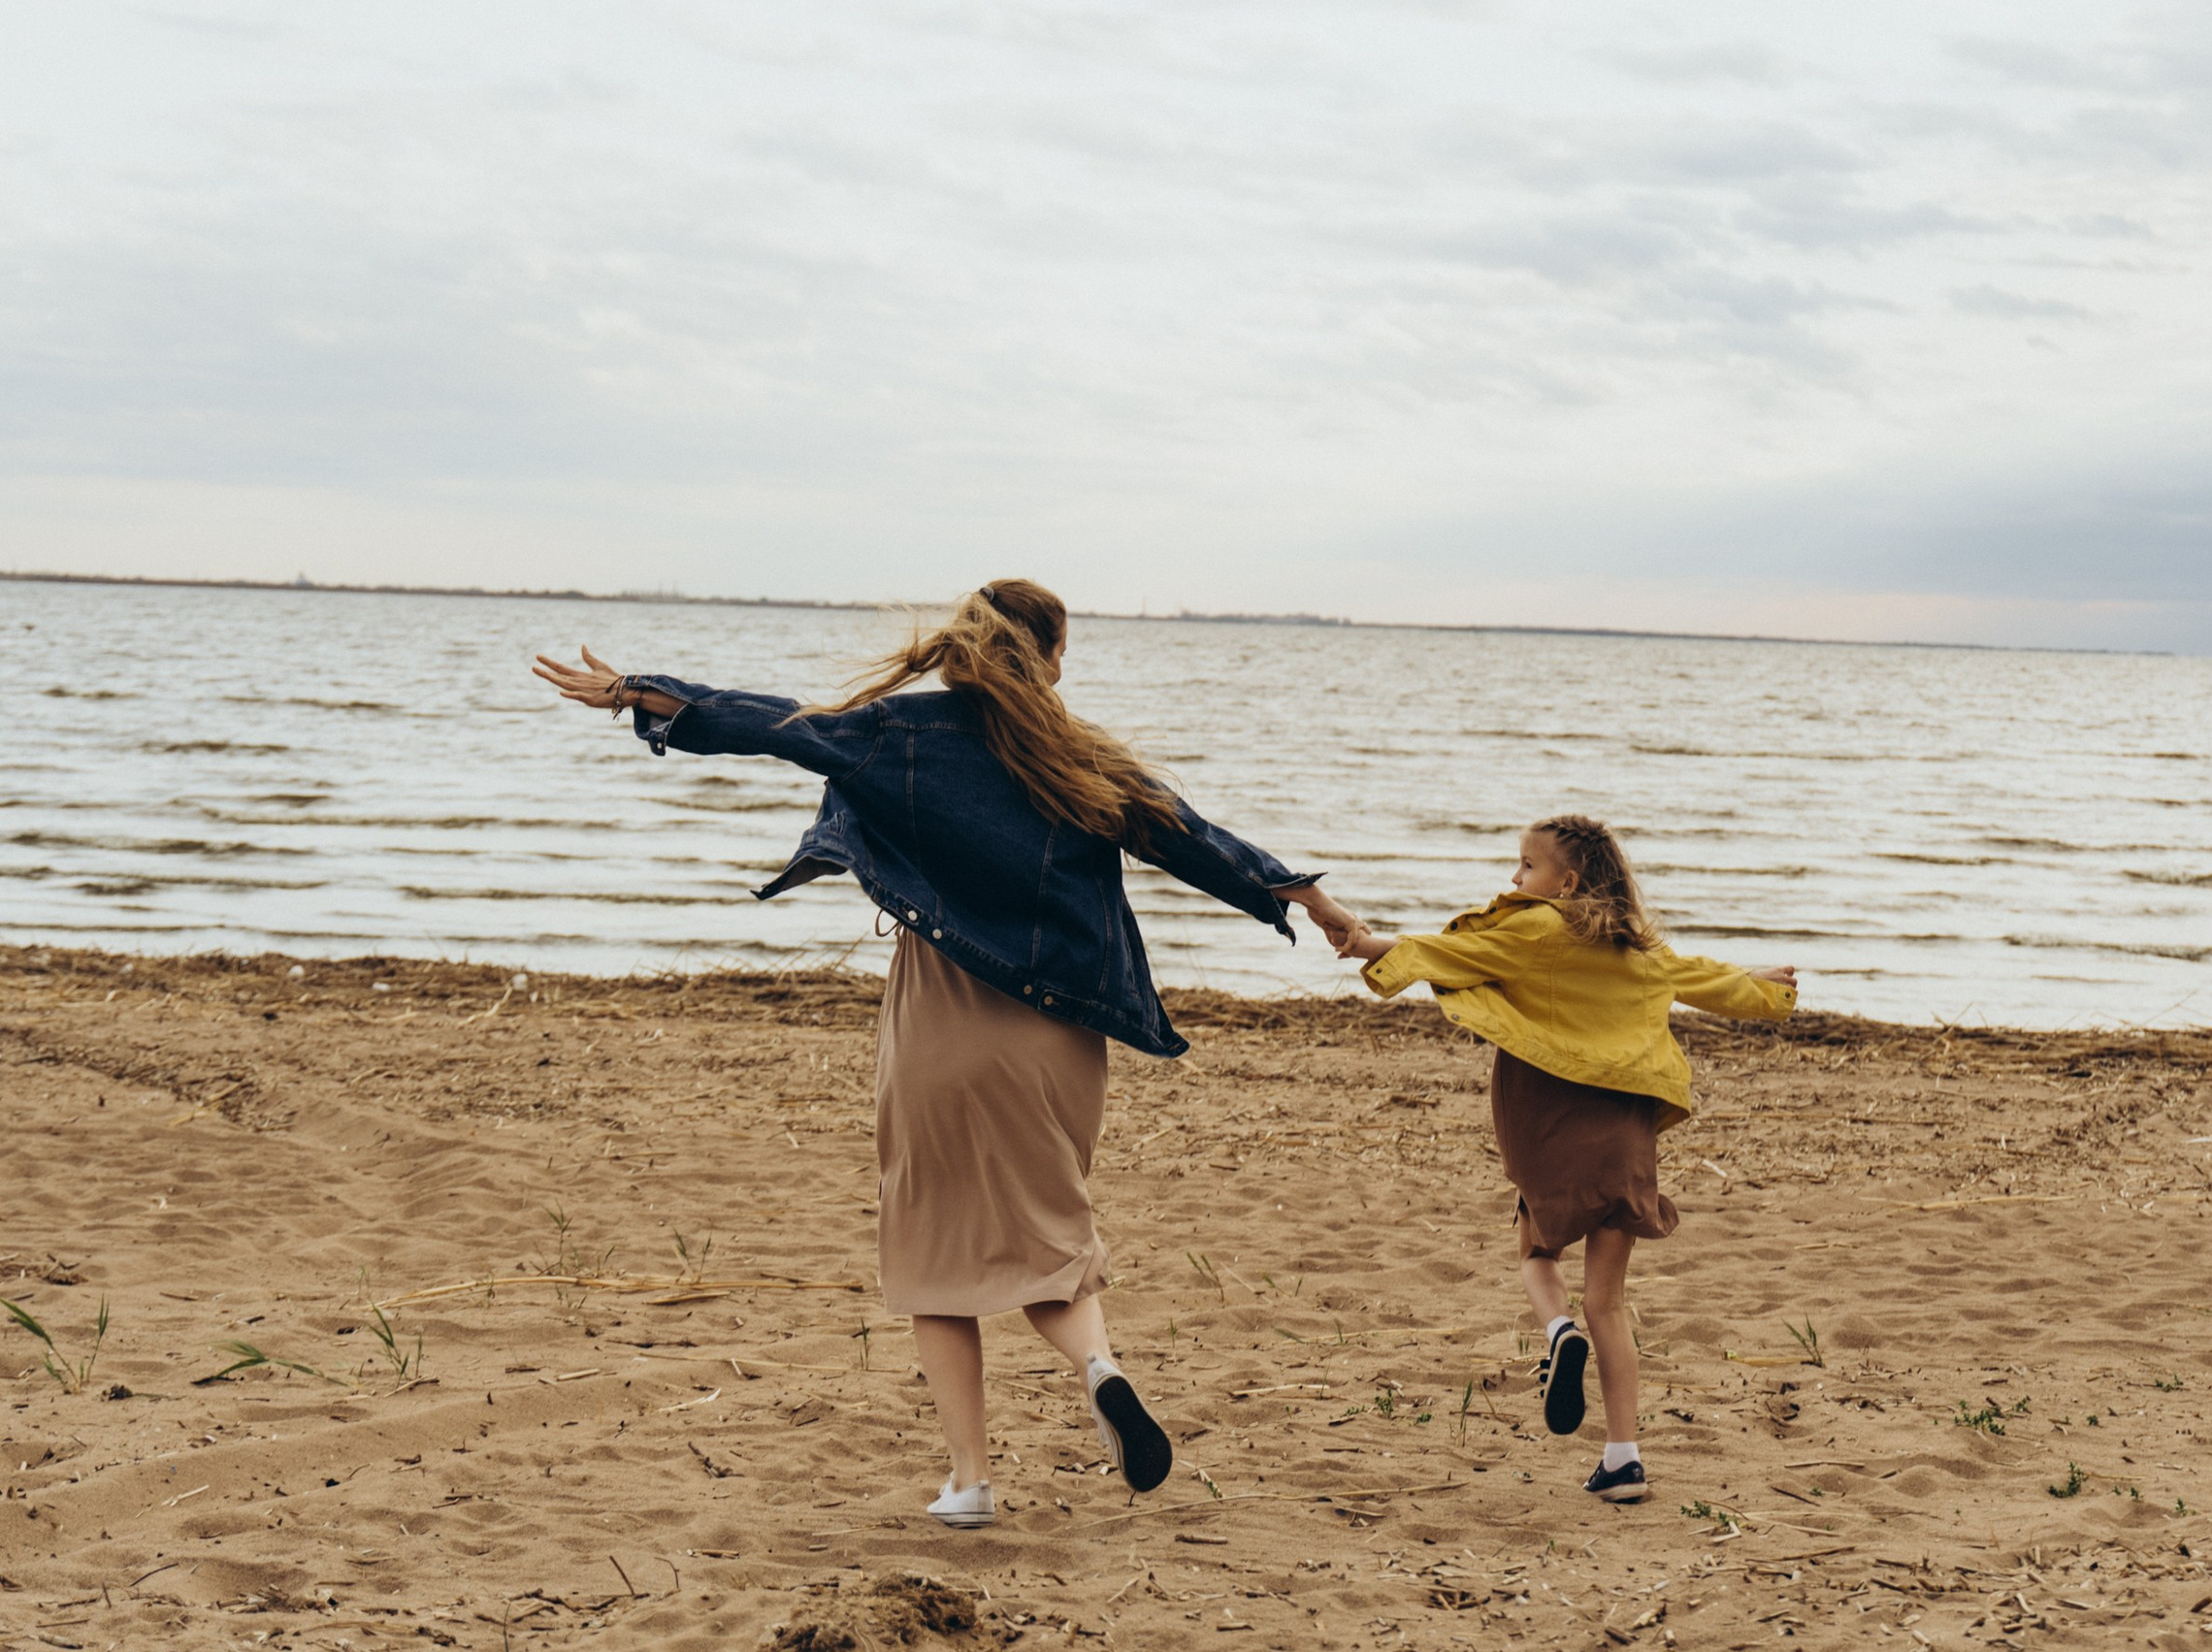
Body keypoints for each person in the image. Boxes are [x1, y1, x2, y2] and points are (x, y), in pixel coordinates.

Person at [534, 581, 1319, 1531]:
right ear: (1053, 658)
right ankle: (1099, 1368)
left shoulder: (894, 733)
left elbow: (774, 724)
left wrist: (638, 691)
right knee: (1045, 1226)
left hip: (943, 1019)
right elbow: (1193, 841)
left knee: (935, 1248)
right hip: (1062, 1031)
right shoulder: (1083, 757)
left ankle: (970, 1482)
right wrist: (1308, 902)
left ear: (956, 651)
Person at [1298, 818, 1798, 1504]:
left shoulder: (1538, 929)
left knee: (1536, 1257)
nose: (1514, 880)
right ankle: (1623, 1459)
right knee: (1610, 1303)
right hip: (1623, 1136)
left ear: (1566, 883)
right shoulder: (1639, 946)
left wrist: (1363, 944)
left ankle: (1558, 1332)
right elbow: (1700, 980)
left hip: (1552, 1129)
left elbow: (1447, 952)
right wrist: (1763, 983)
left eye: (1525, 867)